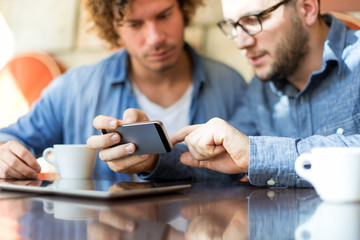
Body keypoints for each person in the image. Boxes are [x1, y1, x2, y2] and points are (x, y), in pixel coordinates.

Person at [0, 0, 252, 180]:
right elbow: (11, 138)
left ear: (183, 9)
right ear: (114, 27)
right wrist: (4, 155)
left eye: (164, 15)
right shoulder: (73, 89)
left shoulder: (231, 84)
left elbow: (250, 165)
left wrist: (156, 160)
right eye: (134, 24)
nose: (154, 37)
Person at [170, 0, 360, 187]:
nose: (241, 43)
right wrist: (151, 156)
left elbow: (248, 153)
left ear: (307, 9)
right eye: (232, 25)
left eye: (253, 20)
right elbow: (219, 159)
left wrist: (257, 155)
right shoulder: (259, 89)